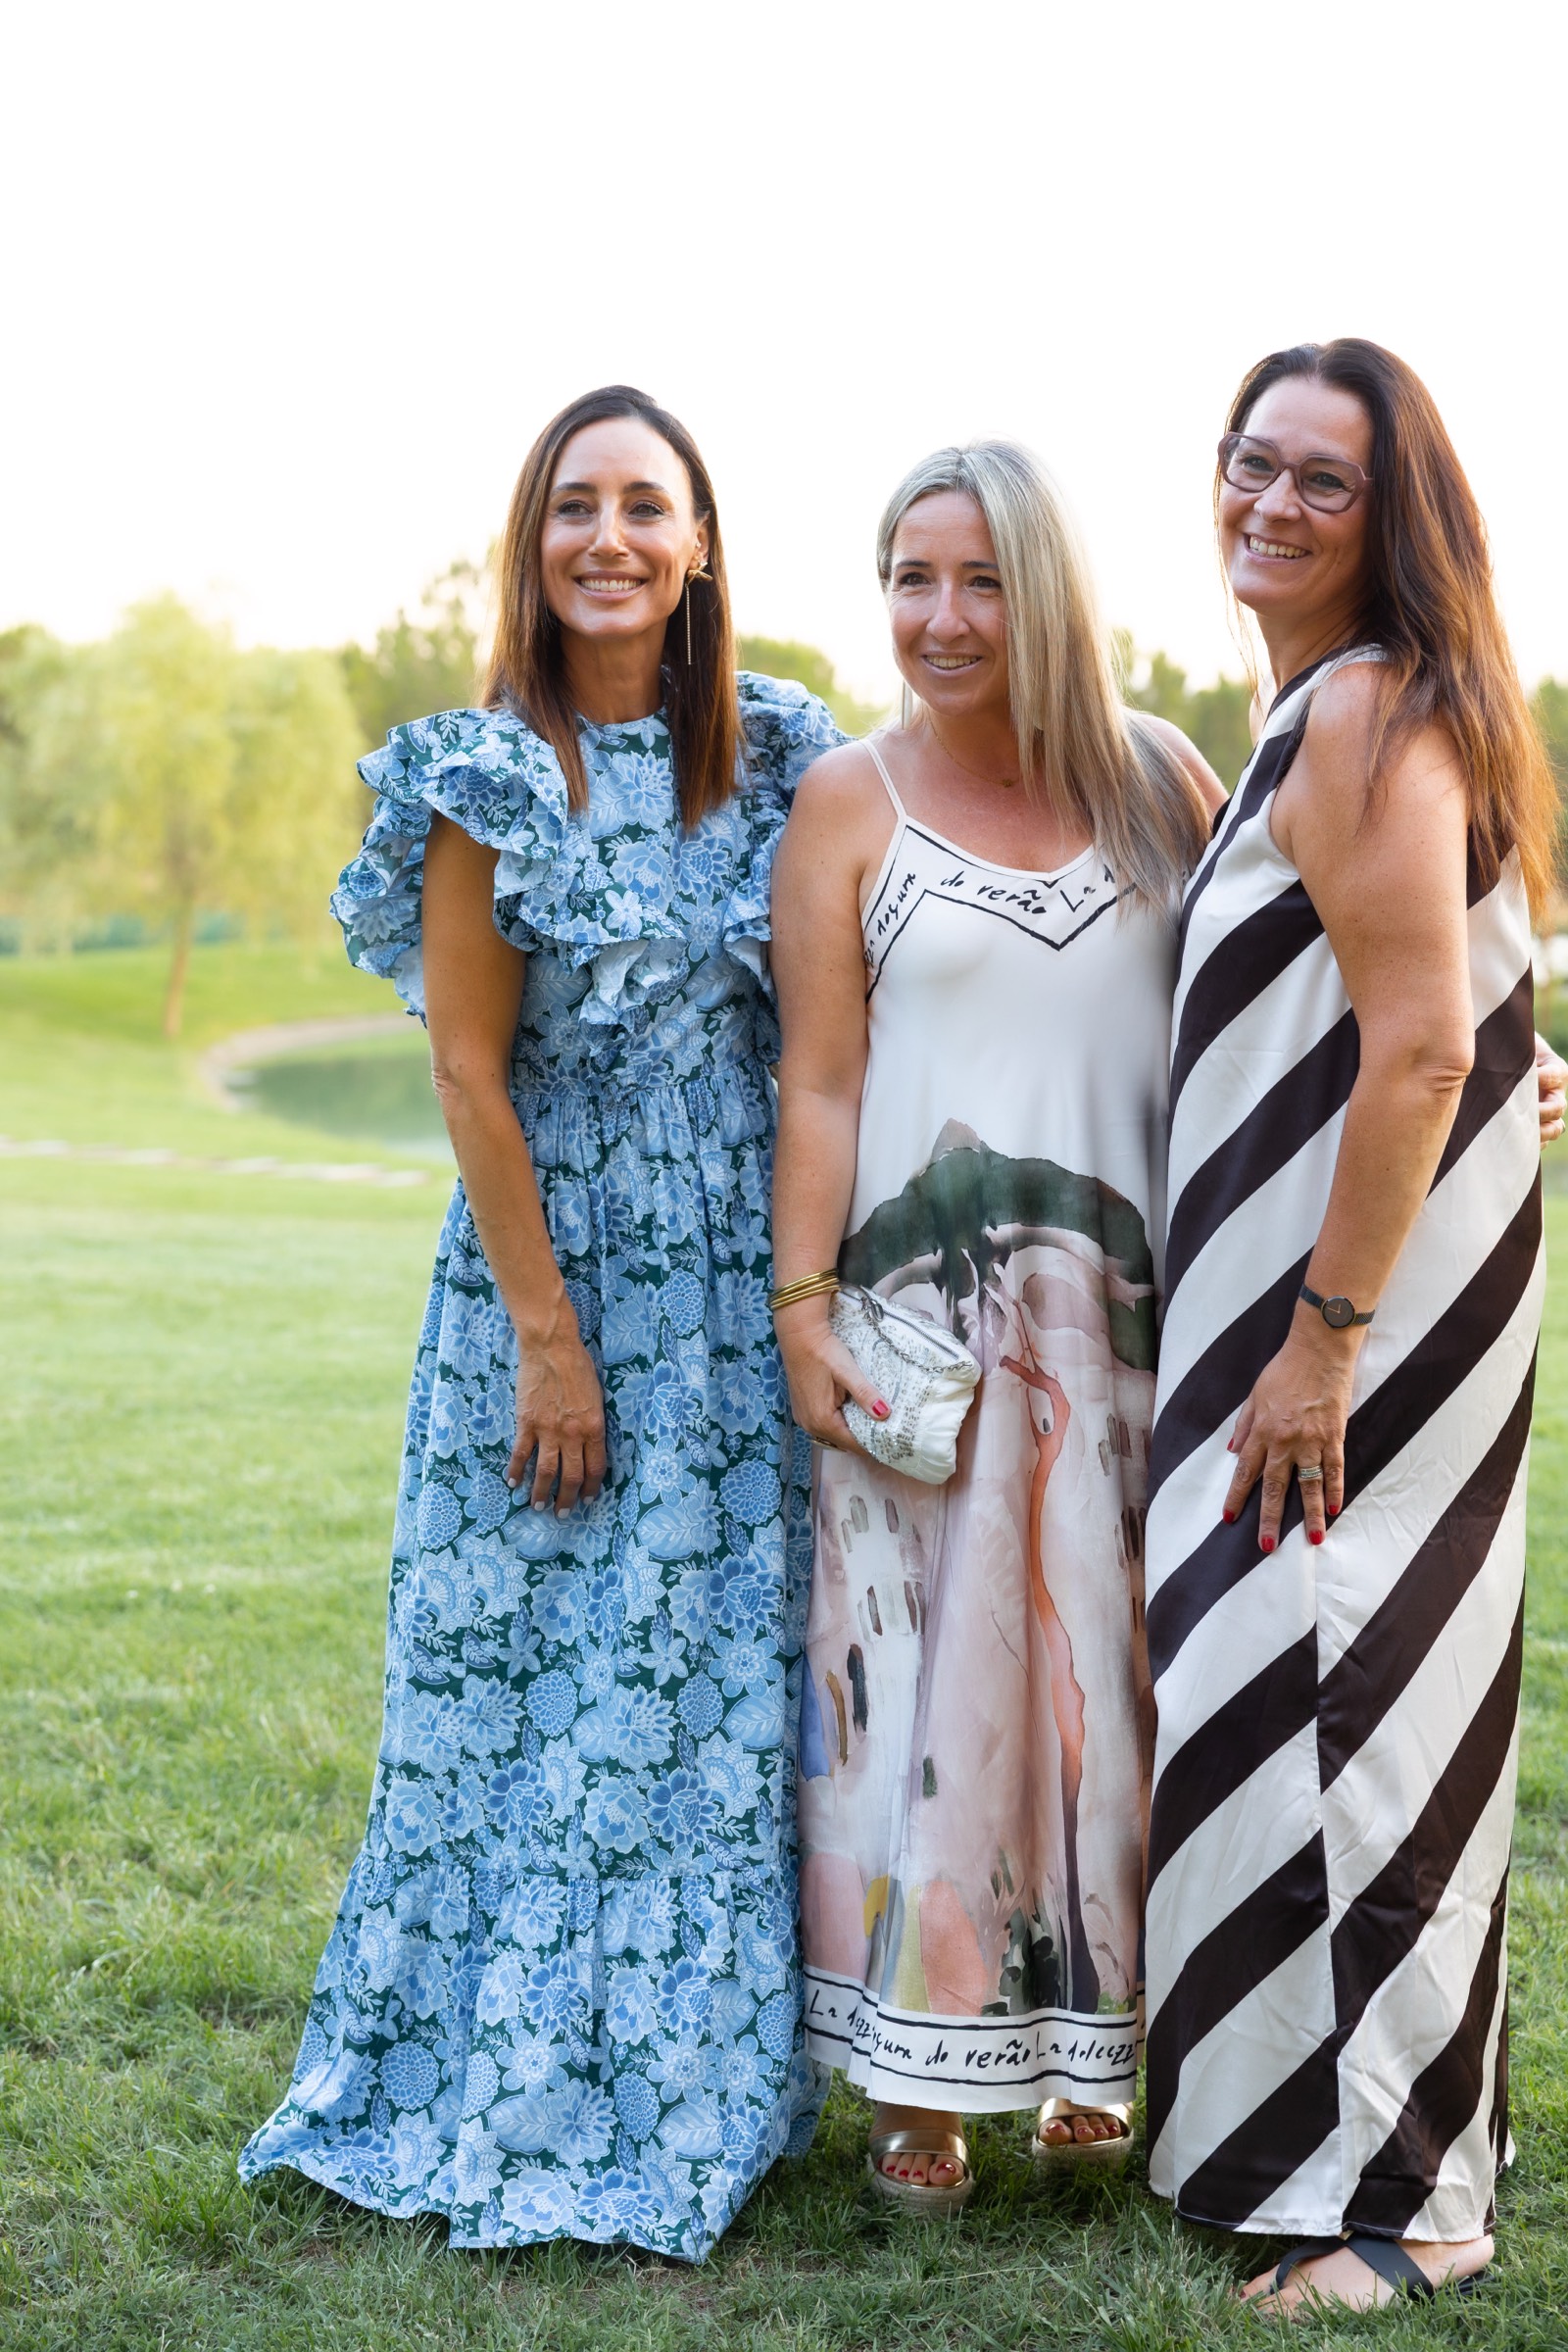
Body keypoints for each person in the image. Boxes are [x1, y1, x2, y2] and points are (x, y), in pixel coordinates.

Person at [239, 386, 842, 2262]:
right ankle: (475, 2077)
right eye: (572, 504)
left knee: (705, 1711)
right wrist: (549, 1338)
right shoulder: (482, 771)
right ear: (535, 542)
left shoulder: (791, 758)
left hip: (738, 1300)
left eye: (643, 504)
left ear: (700, 544)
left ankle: (693, 2099)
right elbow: (475, 1078)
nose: (607, 536)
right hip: (552, 1285)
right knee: (511, 1705)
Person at [1142, 339, 1558, 2315]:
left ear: (1392, 520)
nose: (1271, 504)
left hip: (1345, 1343)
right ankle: (1281, 2148)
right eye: (1251, 464)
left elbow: (1413, 1051)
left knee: (1351, 1714)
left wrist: (1316, 1346)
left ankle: (1407, 2208)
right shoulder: (1315, 708)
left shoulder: (1375, 706)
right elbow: (1460, 1025)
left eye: (1323, 480)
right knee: (1283, 1708)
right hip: (1294, 1318)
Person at [768, 441, 1224, 2209]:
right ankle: (919, 2078)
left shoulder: (1165, 784)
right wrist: (808, 1310)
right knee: (931, 1694)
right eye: (910, 579)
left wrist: (1504, 1063)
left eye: (981, 583)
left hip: (1137, 1328)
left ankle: (1092, 2042)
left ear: (1051, 594)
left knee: (1110, 1675)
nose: (942, 620)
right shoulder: (849, 804)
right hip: (920, 1326)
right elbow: (819, 1085)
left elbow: (1301, 995)